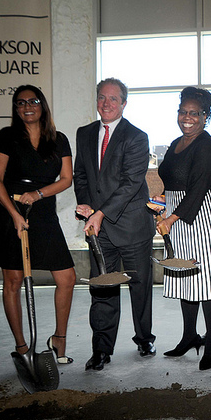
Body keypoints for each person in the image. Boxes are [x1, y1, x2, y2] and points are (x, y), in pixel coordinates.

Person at [155, 87, 211, 370]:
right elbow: (172, 179)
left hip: (206, 217)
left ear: (206, 116)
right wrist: (162, 198)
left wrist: (170, 219)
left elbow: (197, 190)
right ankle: (189, 336)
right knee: (187, 278)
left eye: (194, 113)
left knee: (208, 282)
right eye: (183, 112)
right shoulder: (175, 143)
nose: (188, 118)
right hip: (181, 217)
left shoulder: (207, 146)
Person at [74, 77, 156, 371]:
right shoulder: (84, 134)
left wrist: (101, 212)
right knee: (102, 287)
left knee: (139, 286)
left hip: (132, 225)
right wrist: (86, 206)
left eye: (112, 98)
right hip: (99, 230)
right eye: (101, 97)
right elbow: (81, 175)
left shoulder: (136, 136)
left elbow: (131, 182)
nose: (106, 103)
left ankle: (144, 338)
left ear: (124, 103)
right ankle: (101, 349)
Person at [0, 85, 76, 364]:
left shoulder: (58, 139)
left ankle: (59, 338)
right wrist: (15, 214)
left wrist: (38, 194)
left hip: (44, 212)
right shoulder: (7, 137)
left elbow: (66, 179)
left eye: (33, 101)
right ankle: (22, 347)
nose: (27, 106)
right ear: (15, 108)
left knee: (67, 278)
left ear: (42, 105)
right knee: (13, 281)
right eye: (21, 102)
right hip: (11, 212)